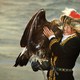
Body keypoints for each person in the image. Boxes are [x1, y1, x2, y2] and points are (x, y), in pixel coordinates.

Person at [43, 12, 80, 80]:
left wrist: (51, 37)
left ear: (75, 29)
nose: (65, 28)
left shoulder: (76, 41)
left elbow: (60, 53)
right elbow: (53, 55)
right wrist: (43, 63)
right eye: (64, 25)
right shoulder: (60, 38)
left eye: (68, 27)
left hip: (64, 77)